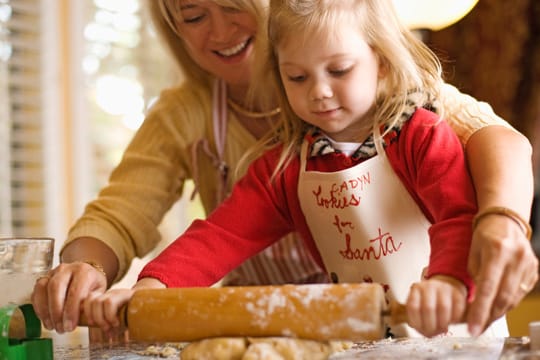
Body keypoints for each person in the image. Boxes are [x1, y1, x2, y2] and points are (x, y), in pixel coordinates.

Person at [32, 0, 538, 338]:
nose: (318, 91)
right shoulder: (288, 163)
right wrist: (153, 289)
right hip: (340, 334)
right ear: (281, 76)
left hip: (445, 324)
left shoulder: (421, 131)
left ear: (380, 64)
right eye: (297, 77)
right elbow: (223, 233)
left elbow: (458, 213)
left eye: (338, 71)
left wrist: (451, 283)